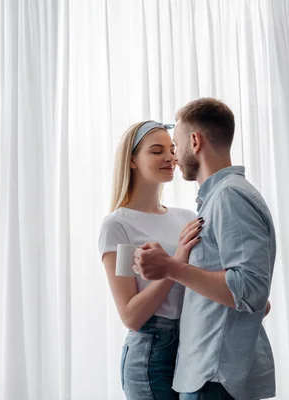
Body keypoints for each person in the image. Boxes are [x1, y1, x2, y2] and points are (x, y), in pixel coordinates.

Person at [134, 98, 276, 400]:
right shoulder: (222, 198)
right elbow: (254, 297)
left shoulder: (229, 197)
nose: (175, 155)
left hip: (213, 378)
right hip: (209, 376)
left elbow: (249, 289)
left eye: (176, 144)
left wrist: (171, 267)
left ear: (194, 141)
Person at [98, 120, 204, 399]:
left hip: (193, 344)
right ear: (132, 160)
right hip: (152, 353)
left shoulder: (187, 217)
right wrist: (177, 262)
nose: (170, 157)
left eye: (171, 149)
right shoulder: (118, 225)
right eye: (157, 151)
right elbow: (132, 316)